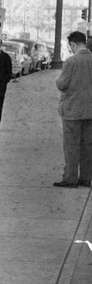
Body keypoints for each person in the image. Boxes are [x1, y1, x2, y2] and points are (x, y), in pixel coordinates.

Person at [54, 31, 92, 188]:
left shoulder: (71, 61)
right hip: (90, 111)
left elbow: (61, 84)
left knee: (71, 146)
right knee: (87, 145)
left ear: (73, 44)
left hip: (72, 111)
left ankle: (70, 178)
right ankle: (85, 178)